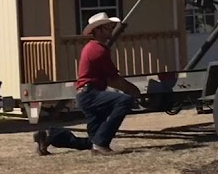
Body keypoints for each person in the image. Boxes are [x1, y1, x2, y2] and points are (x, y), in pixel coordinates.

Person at [33, 12, 142, 156]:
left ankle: (50, 136)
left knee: (93, 140)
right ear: (98, 30)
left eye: (111, 26)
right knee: (124, 101)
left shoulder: (93, 48)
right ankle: (101, 145)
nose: (111, 29)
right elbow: (113, 79)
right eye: (108, 27)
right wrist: (132, 90)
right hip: (91, 94)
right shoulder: (98, 50)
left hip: (87, 94)